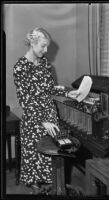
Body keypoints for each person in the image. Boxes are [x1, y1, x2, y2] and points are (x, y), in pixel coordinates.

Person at [13, 27, 60, 194]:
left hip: (49, 114)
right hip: (34, 120)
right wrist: (42, 121)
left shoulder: (45, 63)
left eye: (47, 46)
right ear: (32, 43)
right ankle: (35, 189)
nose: (46, 50)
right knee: (34, 156)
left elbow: (51, 89)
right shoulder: (20, 67)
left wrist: (69, 92)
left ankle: (51, 188)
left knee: (51, 156)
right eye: (43, 46)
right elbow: (25, 100)